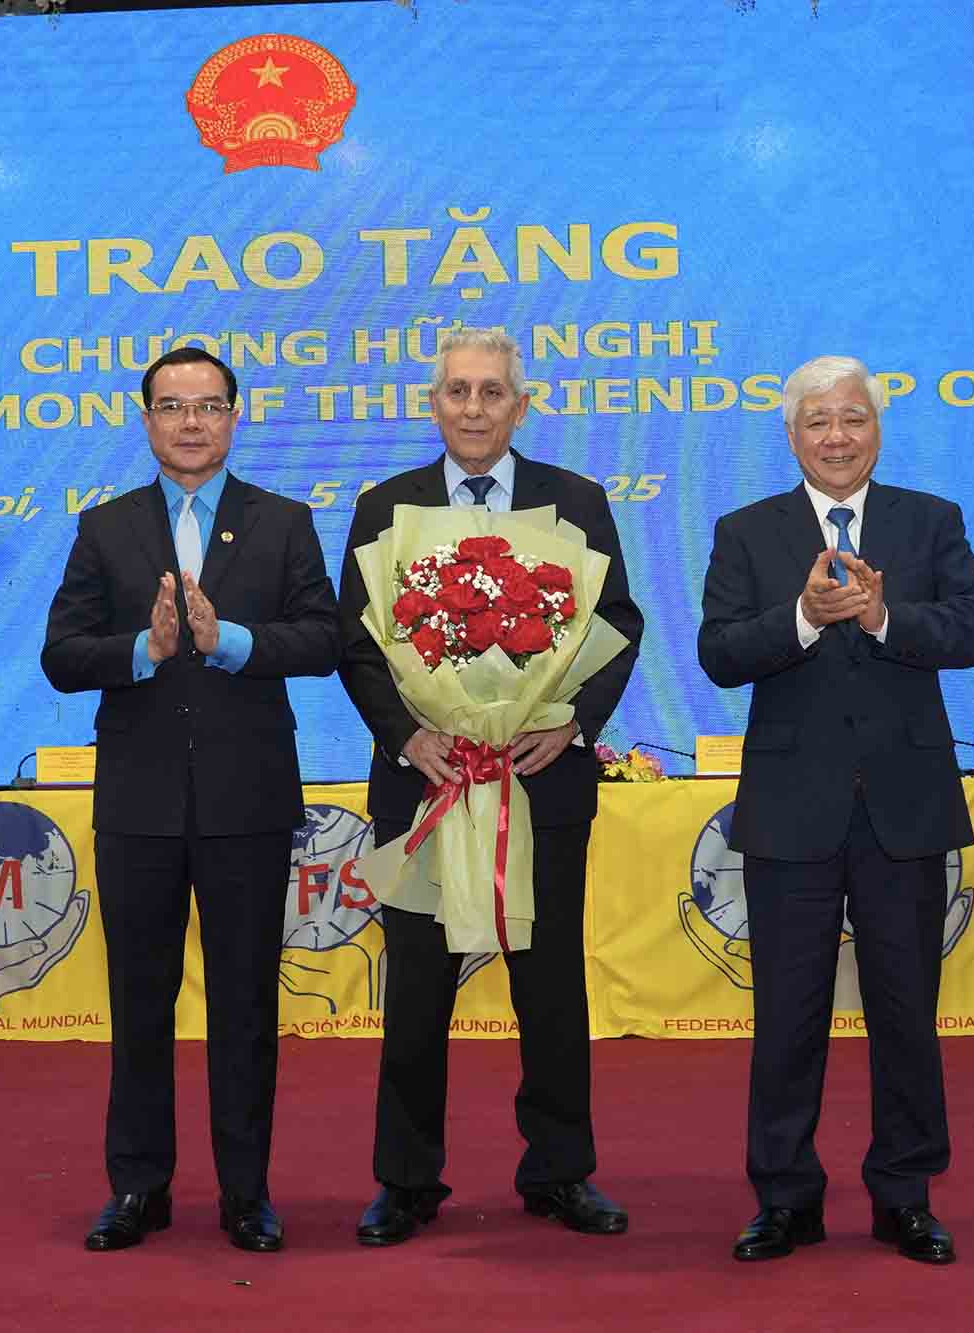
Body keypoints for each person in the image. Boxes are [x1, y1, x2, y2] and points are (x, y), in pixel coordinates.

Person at [336, 327, 644, 1246]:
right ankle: (406, 1180)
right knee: (418, 993)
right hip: (425, 785)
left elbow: (617, 618)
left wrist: (573, 721)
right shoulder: (383, 507)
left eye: (492, 392)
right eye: (458, 392)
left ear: (522, 403)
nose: (474, 408)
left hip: (540, 786)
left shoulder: (576, 499)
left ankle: (559, 1171)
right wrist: (407, 732)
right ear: (433, 403)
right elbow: (356, 641)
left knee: (549, 990)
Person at [696, 355, 974, 1265]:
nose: (837, 435)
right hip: (792, 810)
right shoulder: (746, 530)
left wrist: (877, 619)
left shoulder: (929, 520)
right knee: (787, 1014)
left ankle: (905, 1194)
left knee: (908, 1012)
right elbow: (717, 651)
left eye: (853, 419)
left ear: (878, 429)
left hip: (904, 807)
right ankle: (785, 1196)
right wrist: (801, 616)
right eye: (818, 421)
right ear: (791, 434)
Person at [42, 346, 339, 1254]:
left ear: (235, 415)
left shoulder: (282, 522)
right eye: (171, 405)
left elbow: (325, 638)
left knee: (245, 1003)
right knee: (140, 1001)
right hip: (137, 804)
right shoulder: (105, 528)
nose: (191, 421)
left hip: (246, 801)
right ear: (146, 420)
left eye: (208, 404)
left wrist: (232, 638)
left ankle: (246, 1193)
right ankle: (137, 1187)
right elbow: (62, 656)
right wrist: (145, 645)